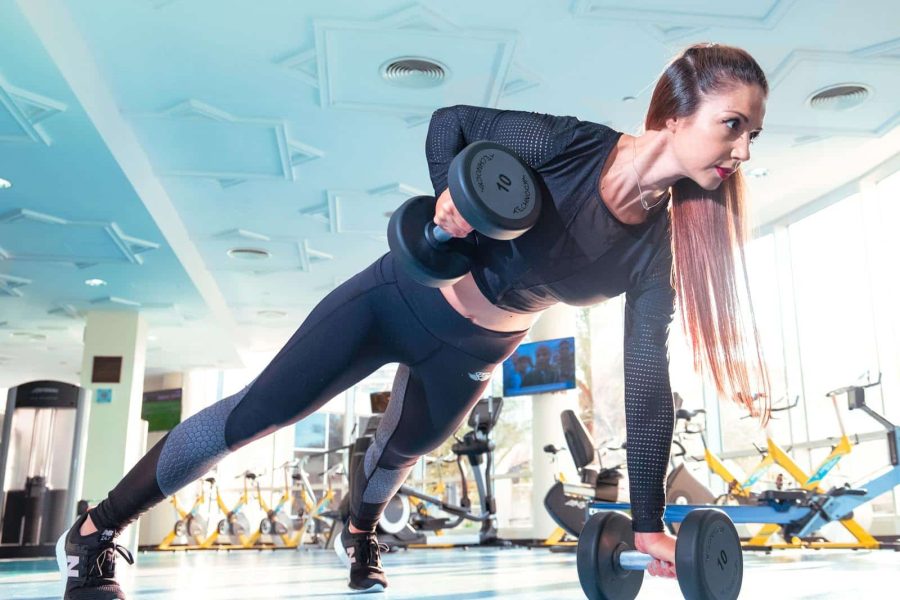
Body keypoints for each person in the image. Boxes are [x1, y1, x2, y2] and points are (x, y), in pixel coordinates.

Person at [58, 42, 770, 598]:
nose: (742, 151)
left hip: (472, 350)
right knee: (259, 414)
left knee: (403, 452)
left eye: (754, 135)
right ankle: (94, 531)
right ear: (674, 116)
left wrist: (647, 525)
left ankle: (360, 531)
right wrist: (448, 200)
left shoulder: (656, 250)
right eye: (732, 125)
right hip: (394, 298)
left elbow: (647, 385)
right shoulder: (576, 146)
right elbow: (451, 124)